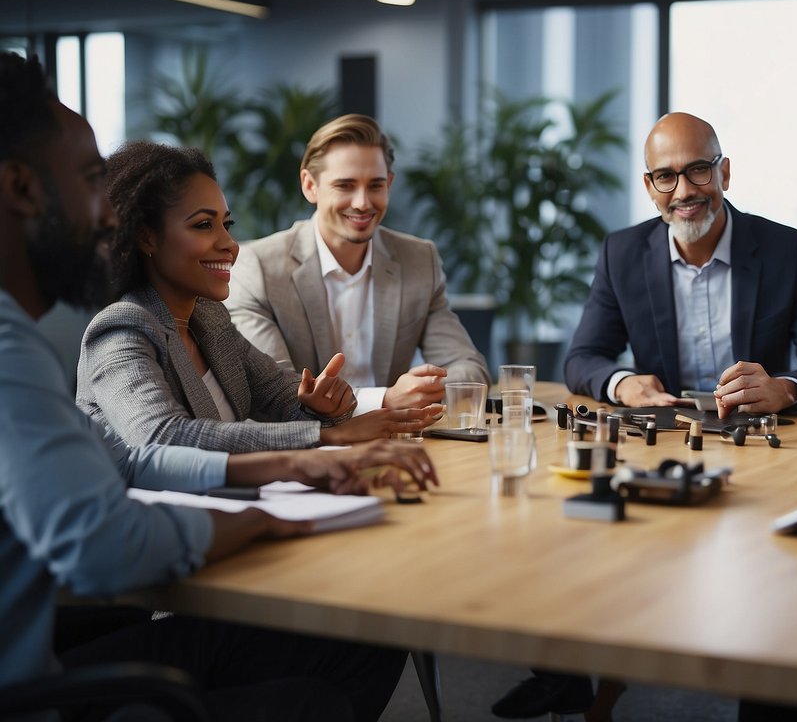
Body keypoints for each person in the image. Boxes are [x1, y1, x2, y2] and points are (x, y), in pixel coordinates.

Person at [0, 50, 440, 720]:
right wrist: (269, 512)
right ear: (22, 188)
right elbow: (110, 540)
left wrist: (308, 448)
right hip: (42, 692)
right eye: (92, 180)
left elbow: (130, 459)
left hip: (68, 648)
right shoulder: (39, 346)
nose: (107, 214)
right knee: (312, 698)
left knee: (366, 636)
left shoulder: (202, 318)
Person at [75, 141, 442, 452]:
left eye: (226, 224)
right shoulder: (121, 329)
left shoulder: (209, 319)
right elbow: (163, 437)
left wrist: (323, 406)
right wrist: (327, 434)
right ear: (146, 238)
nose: (229, 244)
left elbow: (281, 396)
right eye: (204, 225)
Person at [564, 112, 797, 417]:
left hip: (761, 438)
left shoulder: (788, 252)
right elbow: (582, 359)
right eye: (666, 176)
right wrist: (622, 384)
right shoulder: (621, 254)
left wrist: (784, 388)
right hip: (665, 436)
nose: (684, 191)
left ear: (724, 173)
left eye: (698, 170)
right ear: (650, 186)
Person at [226, 114, 489, 415]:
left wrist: (425, 388)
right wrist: (385, 400)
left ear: (389, 184)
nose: (363, 202)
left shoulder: (419, 260)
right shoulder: (259, 268)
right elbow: (275, 393)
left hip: (395, 445)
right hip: (306, 451)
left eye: (375, 185)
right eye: (345, 185)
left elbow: (470, 369)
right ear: (310, 185)